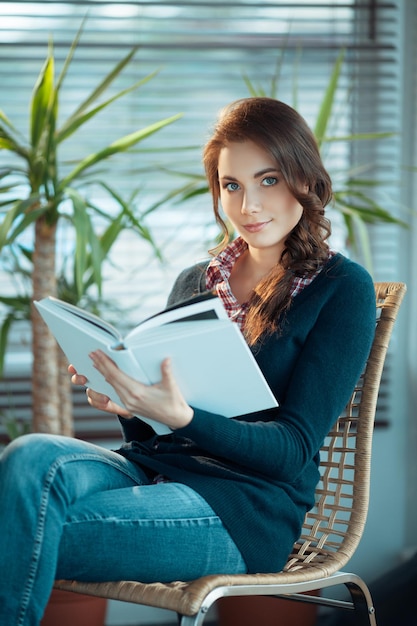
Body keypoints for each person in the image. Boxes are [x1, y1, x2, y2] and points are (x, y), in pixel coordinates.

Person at [0, 97, 376, 625]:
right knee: (30, 458)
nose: (248, 205)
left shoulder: (342, 289)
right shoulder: (196, 282)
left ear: (306, 181)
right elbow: (155, 441)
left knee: (27, 524)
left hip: (244, 510)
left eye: (268, 180)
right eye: (232, 186)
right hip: (156, 474)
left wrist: (184, 417)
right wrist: (129, 402)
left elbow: (292, 450)